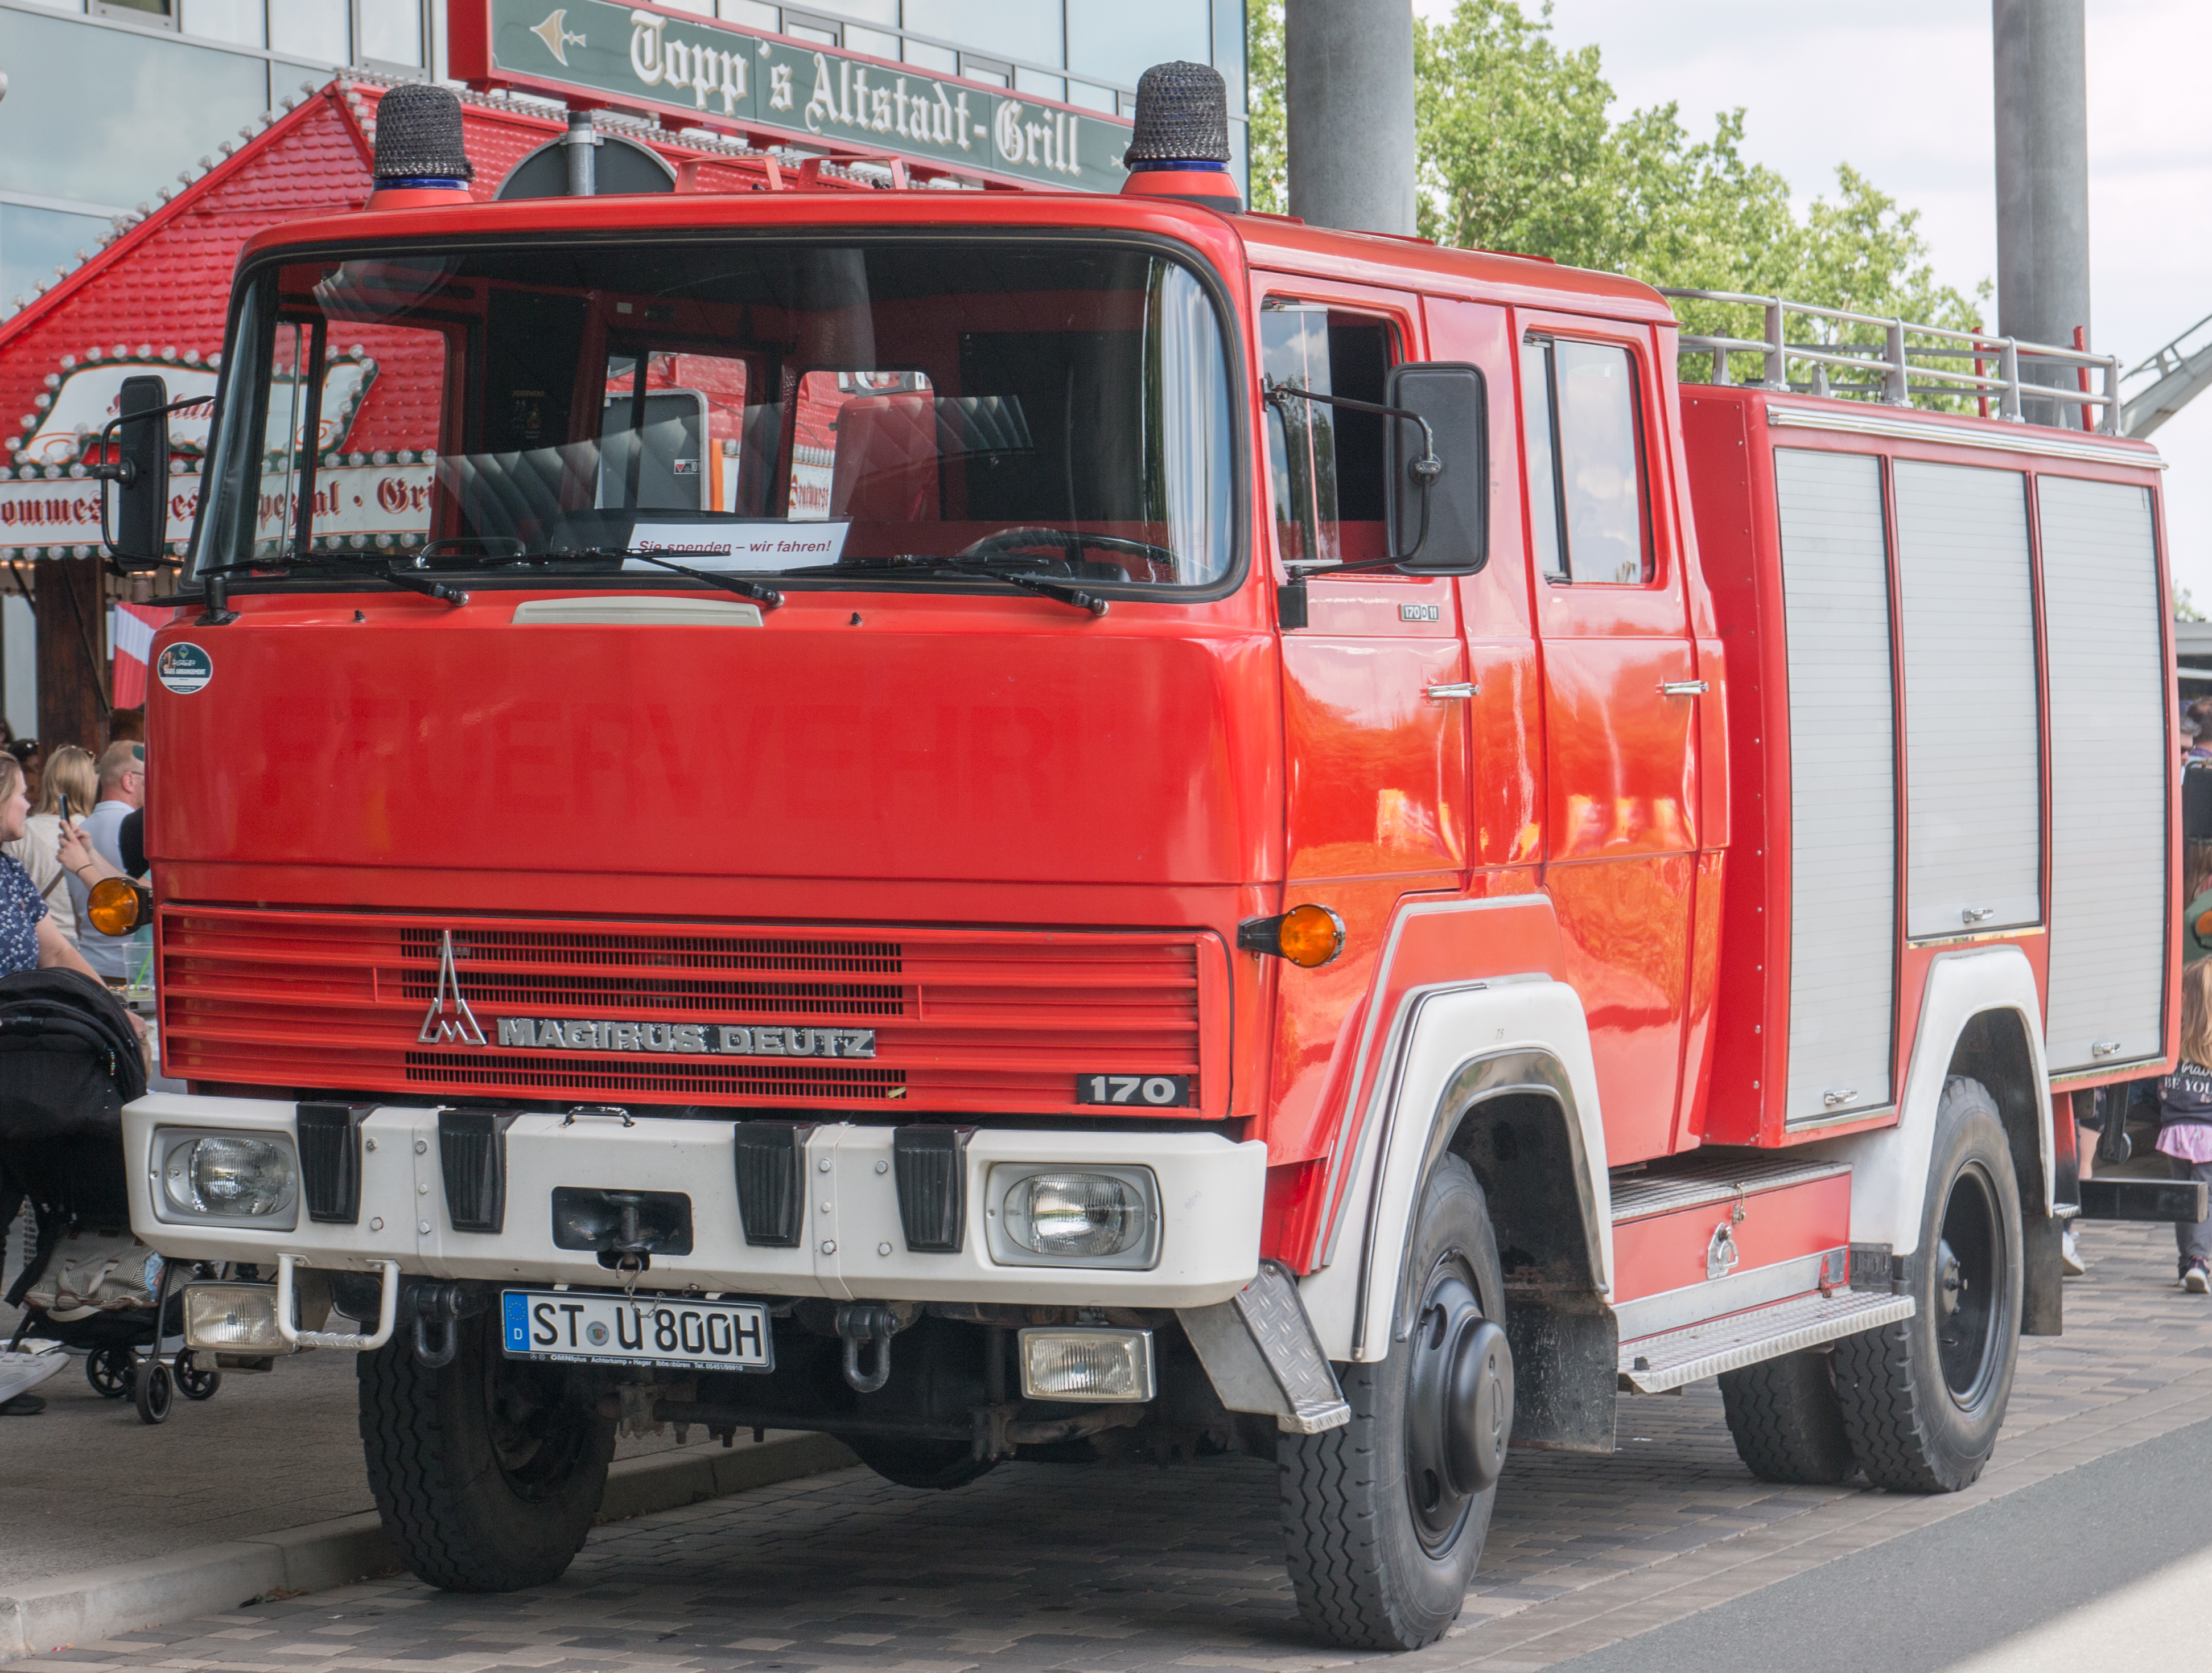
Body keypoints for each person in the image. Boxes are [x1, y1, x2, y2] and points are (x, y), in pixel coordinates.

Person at [62, 741, 143, 986]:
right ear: (128, 781)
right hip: (135, 969)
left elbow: (79, 914)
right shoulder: (139, 829)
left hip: (91, 964)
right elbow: (146, 898)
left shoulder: (81, 831)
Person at [1, 744, 94, 948]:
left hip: (43, 944)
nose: (27, 805)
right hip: (80, 946)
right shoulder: (93, 830)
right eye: (22, 794)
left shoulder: (25, 836)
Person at [2159, 959, 2212, 1293]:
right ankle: (2199, 1260)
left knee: (2184, 1199)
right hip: (2209, 1134)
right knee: (2207, 1200)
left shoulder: (2172, 1043)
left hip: (2174, 1134)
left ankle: (2185, 1261)